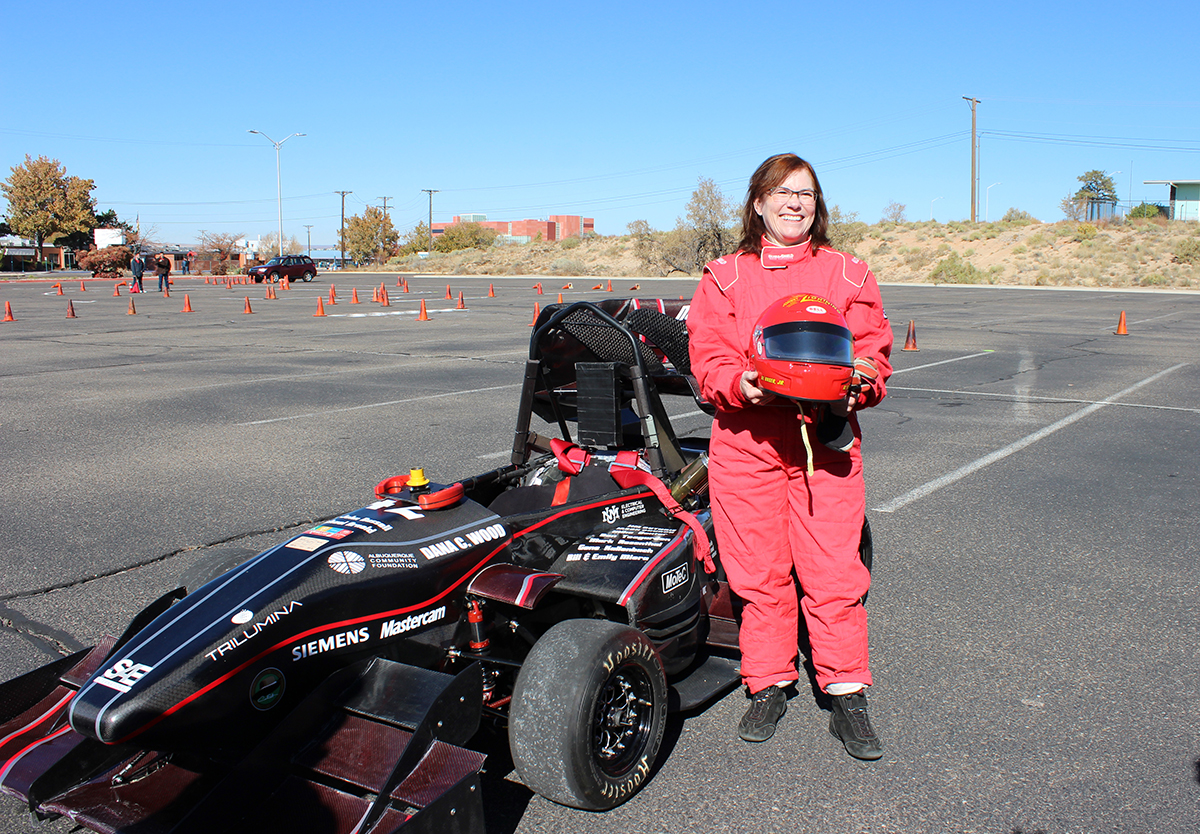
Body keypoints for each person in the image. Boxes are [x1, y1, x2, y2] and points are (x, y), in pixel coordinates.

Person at [687, 153, 893, 759]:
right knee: (758, 573)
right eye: (781, 193)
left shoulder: (849, 274)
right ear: (758, 204)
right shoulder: (724, 276)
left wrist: (860, 379)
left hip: (824, 445)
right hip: (747, 444)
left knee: (833, 571)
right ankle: (769, 682)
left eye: (805, 193)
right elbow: (710, 357)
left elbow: (875, 352)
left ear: (817, 204)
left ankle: (846, 690)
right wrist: (741, 383)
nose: (794, 203)